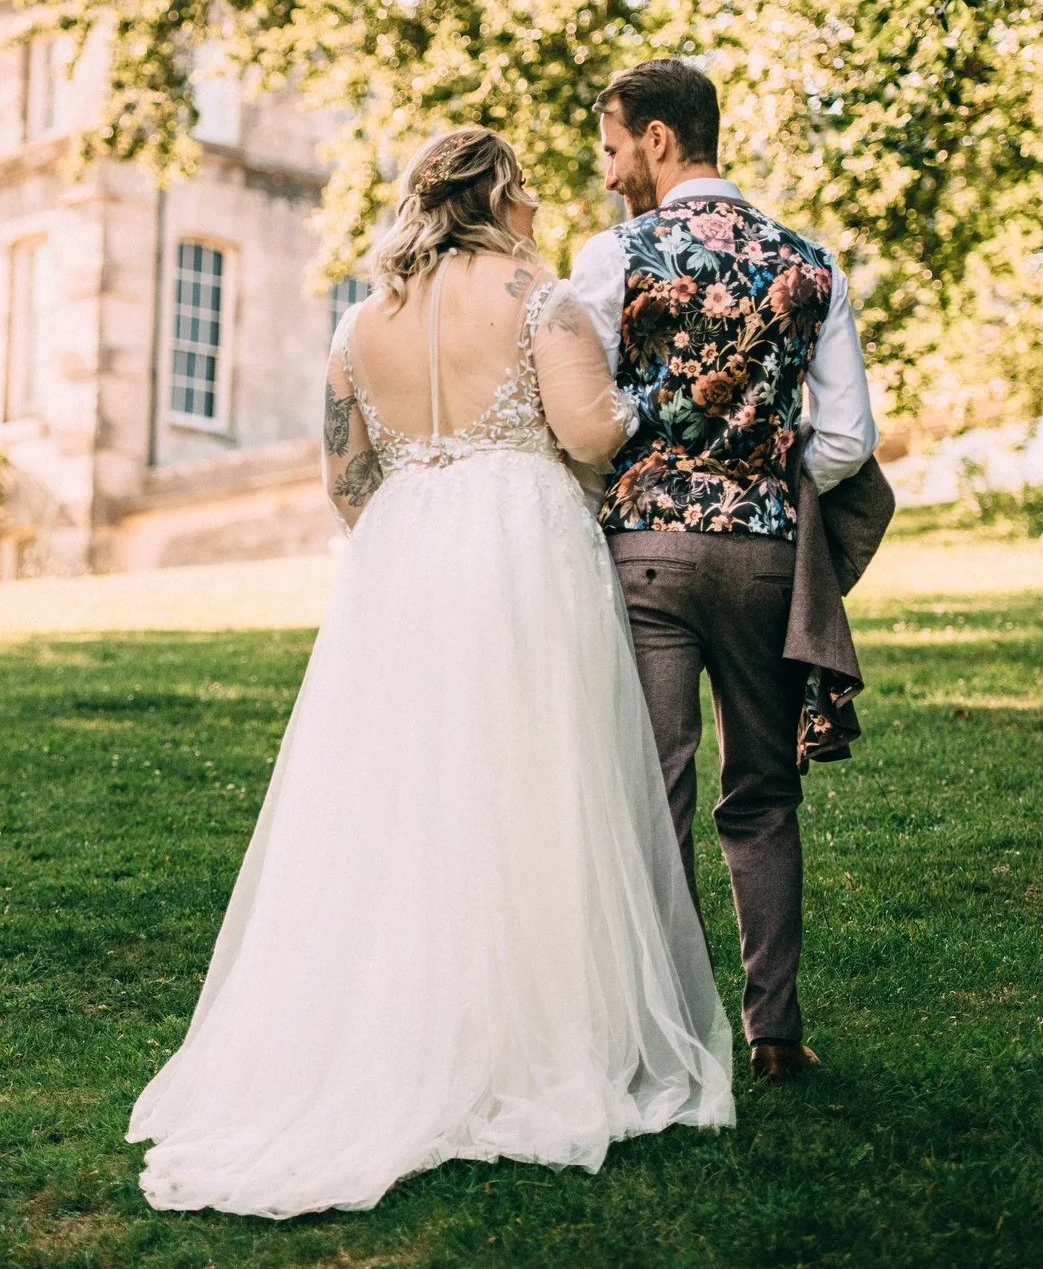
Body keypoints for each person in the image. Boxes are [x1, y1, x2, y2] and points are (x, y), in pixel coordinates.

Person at [129, 127, 735, 1219]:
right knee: (533, 775)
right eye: (531, 191)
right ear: (499, 197)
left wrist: (414, 521)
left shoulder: (362, 324)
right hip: (519, 540)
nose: (544, 208)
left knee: (401, 790)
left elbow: (344, 472)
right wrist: (653, 400)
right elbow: (591, 433)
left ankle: (389, 1025)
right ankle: (535, 1034)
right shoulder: (538, 296)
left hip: (404, 552)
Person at [569, 60, 880, 1085]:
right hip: (760, 557)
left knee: (653, 790)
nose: (611, 171)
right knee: (761, 793)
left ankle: (663, 1034)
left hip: (645, 555)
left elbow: (582, 412)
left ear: (659, 138)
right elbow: (844, 438)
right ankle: (775, 1031)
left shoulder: (612, 257)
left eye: (614, 145)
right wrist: (760, 469)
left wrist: (651, 465)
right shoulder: (810, 263)